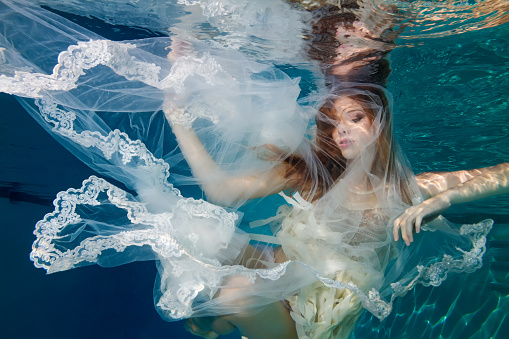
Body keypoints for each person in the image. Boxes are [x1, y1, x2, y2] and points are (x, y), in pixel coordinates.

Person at [0, 1, 507, 339]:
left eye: (358, 119)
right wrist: (178, 118)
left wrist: (441, 198)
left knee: (236, 295)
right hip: (278, 271)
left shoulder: (411, 186)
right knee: (196, 231)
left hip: (316, 316)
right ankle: (224, 319)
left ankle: (231, 319)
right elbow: (221, 193)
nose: (343, 133)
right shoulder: (311, 171)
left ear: (380, 123)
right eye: (333, 123)